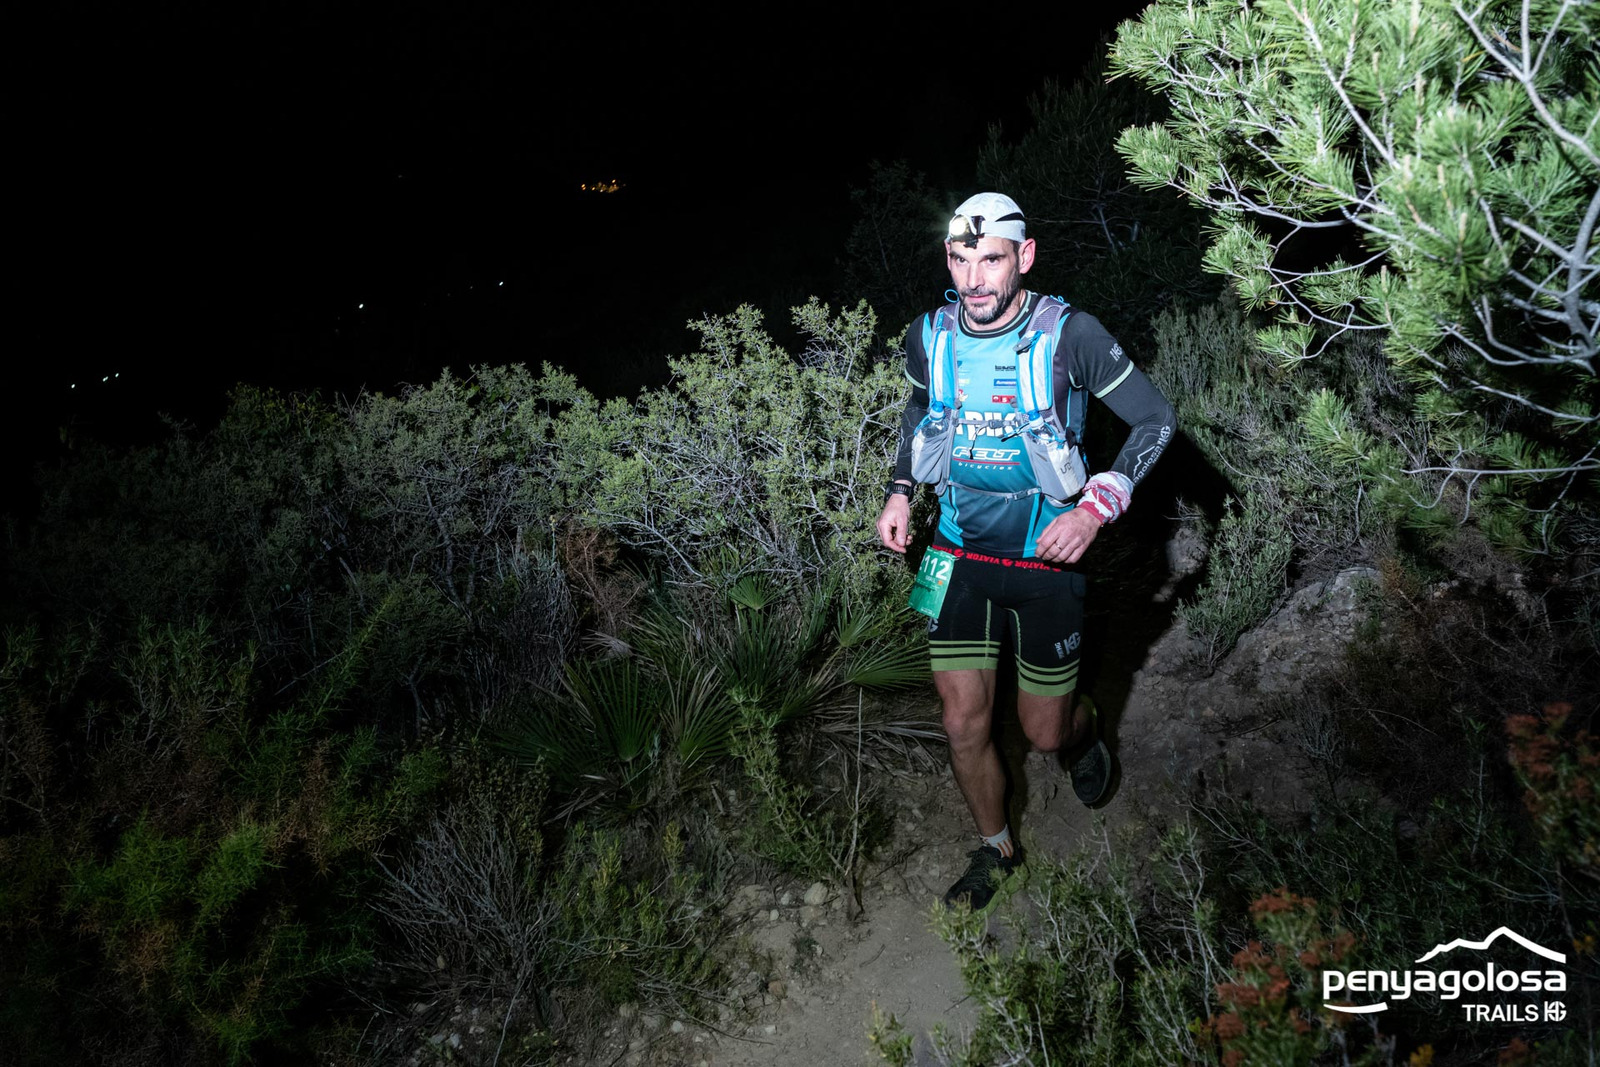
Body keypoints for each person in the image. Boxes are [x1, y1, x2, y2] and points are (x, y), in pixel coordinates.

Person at [875, 192, 1176, 911]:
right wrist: (899, 489)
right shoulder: (930, 334)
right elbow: (920, 409)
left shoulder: (1070, 334)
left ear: (1025, 257)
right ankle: (997, 847)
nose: (974, 279)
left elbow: (1155, 419)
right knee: (961, 722)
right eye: (960, 260)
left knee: (1044, 733)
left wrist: (1097, 507)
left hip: (1047, 561)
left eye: (991, 260)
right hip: (957, 554)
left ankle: (1082, 730)